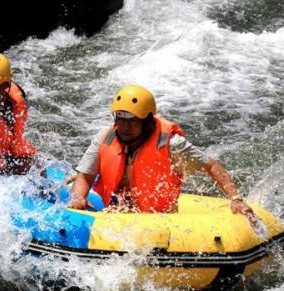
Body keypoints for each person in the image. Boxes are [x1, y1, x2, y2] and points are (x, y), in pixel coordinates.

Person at [68, 84, 257, 219]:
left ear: (147, 121)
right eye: (121, 119)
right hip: (115, 215)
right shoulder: (105, 136)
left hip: (160, 222)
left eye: (132, 121)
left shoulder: (170, 144)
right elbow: (85, 176)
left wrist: (236, 198)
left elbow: (211, 165)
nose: (124, 127)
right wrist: (78, 199)